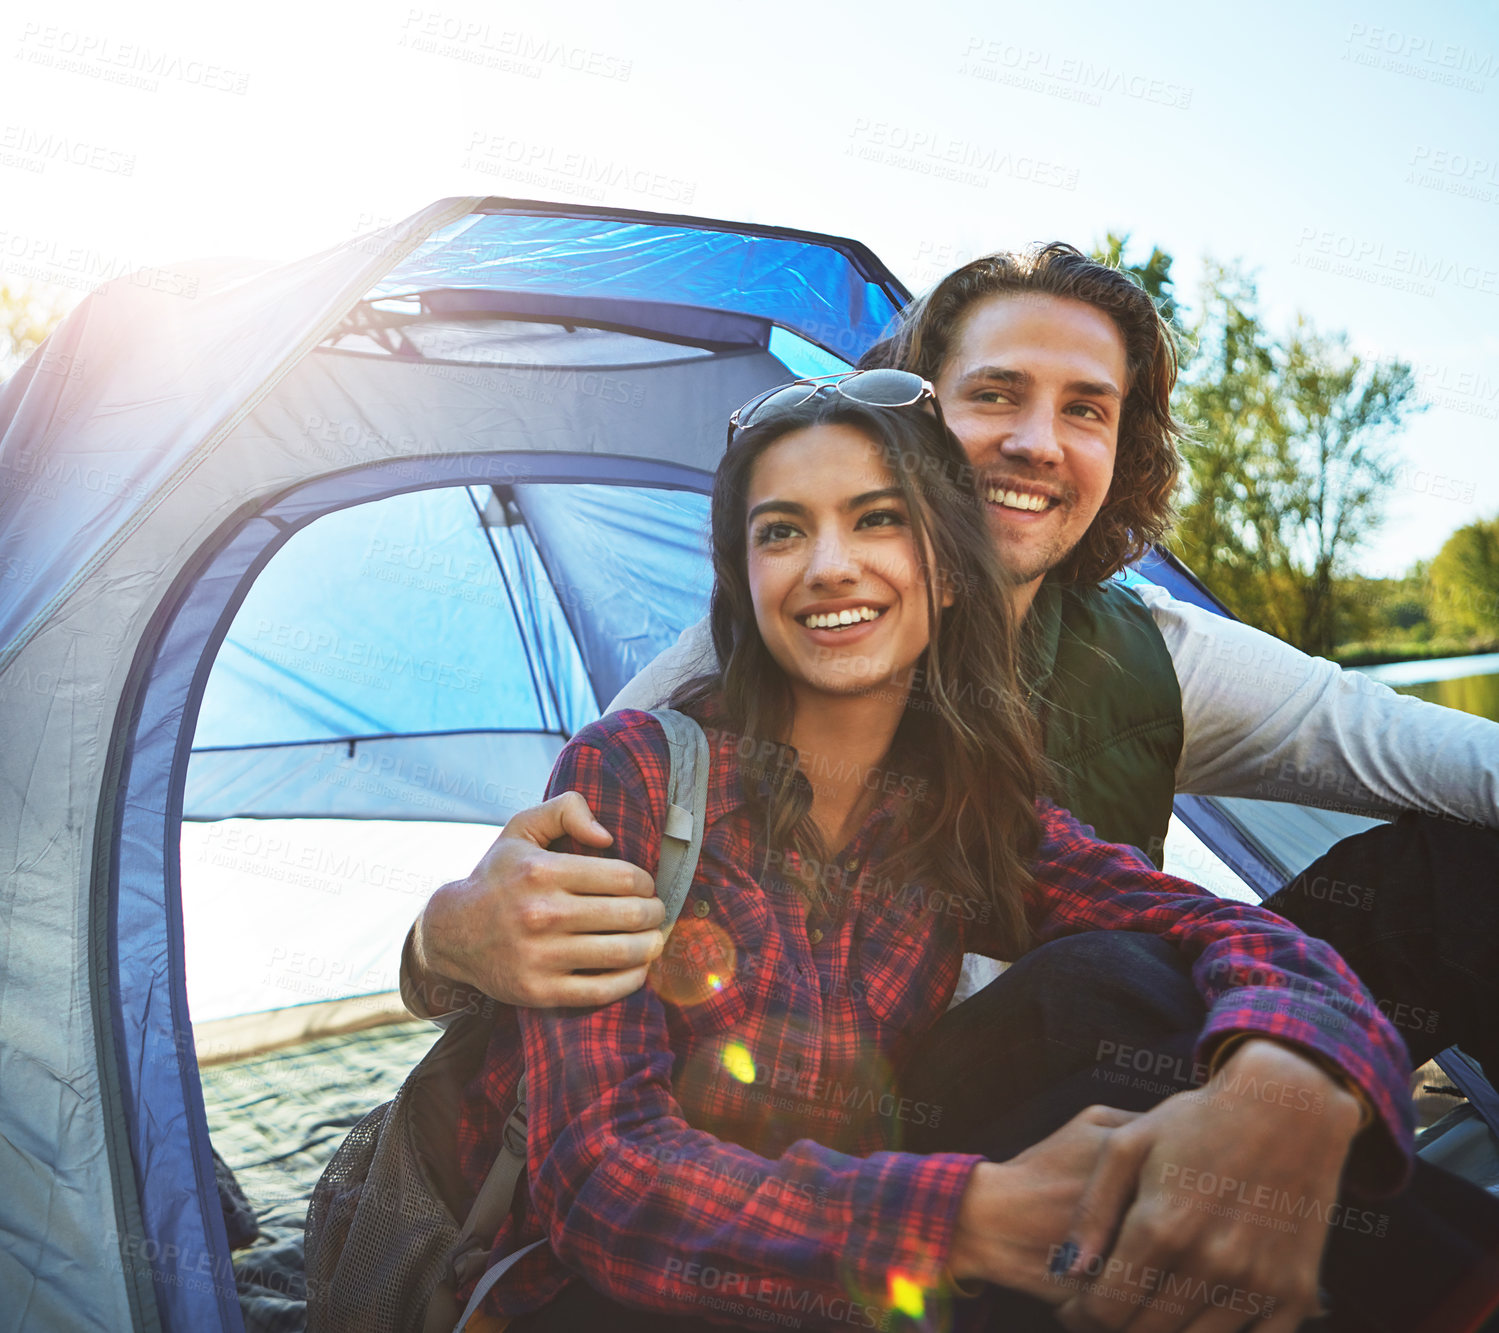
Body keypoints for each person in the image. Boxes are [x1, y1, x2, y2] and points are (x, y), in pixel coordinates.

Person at [403, 244, 1499, 1090]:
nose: (1034, 440)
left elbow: (1414, 747)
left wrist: (1279, 1041)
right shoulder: (741, 658)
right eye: (993, 394)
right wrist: (440, 938)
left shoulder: (1157, 657)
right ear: (903, 423)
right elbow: (528, 909)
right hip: (851, 1145)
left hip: (1124, 1083)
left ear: (1121, 454)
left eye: (1084, 409)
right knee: (1089, 977)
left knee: (1461, 879)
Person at [452, 377, 1418, 1332]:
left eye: (876, 520)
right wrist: (971, 1217)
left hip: (869, 1252)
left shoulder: (973, 805)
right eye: (781, 531)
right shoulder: (632, 772)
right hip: (615, 1291)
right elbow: (605, 1182)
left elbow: (1215, 924)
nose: (828, 565)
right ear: (744, 584)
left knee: (1120, 975)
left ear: (948, 572)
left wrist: (1296, 1075)